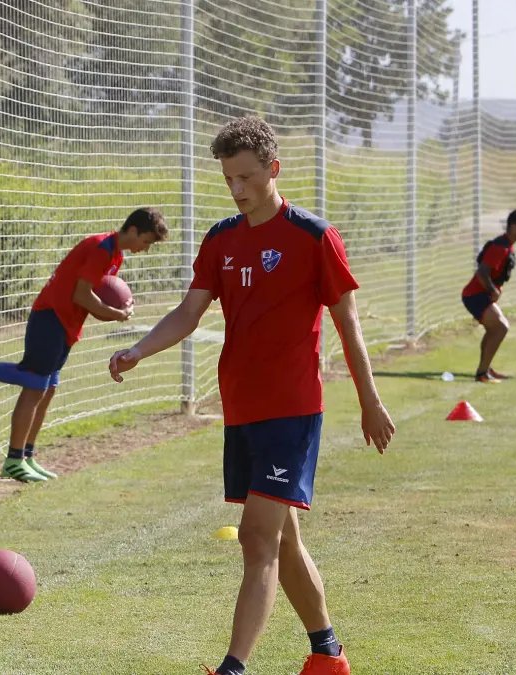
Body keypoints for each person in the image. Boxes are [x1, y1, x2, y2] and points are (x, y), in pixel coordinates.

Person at [107, 116, 395, 675]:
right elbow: (189, 312)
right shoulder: (221, 239)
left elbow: (348, 322)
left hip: (292, 411)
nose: (236, 189)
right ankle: (328, 655)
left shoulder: (314, 237)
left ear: (273, 169)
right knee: (283, 541)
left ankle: (233, 668)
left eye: (245, 177)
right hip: (241, 409)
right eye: (228, 179)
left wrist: (370, 400)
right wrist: (139, 350)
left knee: (256, 538)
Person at [0, 208, 168, 482]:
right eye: (146, 241)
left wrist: (117, 310)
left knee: (48, 389)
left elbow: (94, 300)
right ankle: (12, 458)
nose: (146, 248)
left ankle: (27, 456)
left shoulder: (115, 255)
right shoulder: (101, 248)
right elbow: (82, 295)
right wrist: (117, 313)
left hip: (67, 325)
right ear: (133, 230)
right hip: (50, 318)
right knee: (35, 385)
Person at [461, 209, 516, 383]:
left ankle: (485, 368)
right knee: (501, 327)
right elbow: (482, 272)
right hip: (475, 295)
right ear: (513, 227)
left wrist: (494, 289)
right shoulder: (500, 247)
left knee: (494, 329)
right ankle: (482, 373)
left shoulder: (507, 245)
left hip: (479, 294)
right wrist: (493, 290)